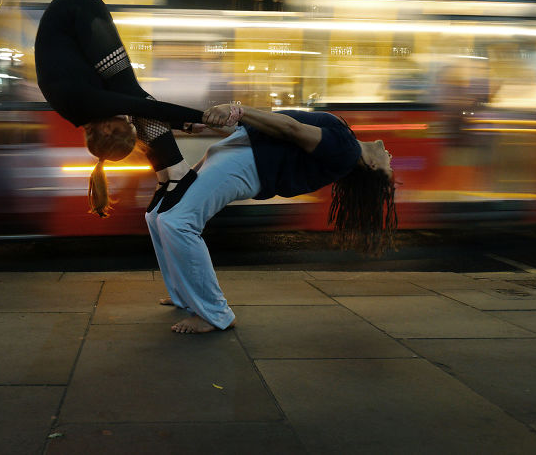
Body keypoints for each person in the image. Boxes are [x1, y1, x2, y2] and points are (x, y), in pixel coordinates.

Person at [147, 103, 397, 334]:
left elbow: (291, 129)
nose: (391, 158)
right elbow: (275, 129)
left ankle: (214, 314)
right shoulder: (345, 142)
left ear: (372, 166)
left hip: (247, 163)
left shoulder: (346, 150)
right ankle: (184, 294)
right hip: (240, 150)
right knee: (157, 215)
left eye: (390, 167)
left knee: (177, 222)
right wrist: (224, 122)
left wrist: (237, 110)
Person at [35, 0, 205, 216]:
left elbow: (147, 107)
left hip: (77, 9)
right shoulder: (86, 111)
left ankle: (179, 173)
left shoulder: (87, 104)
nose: (127, 119)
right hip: (70, 28)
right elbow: (138, 110)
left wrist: (200, 117)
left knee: (131, 92)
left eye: (125, 124)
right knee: (134, 104)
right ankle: (165, 177)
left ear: (106, 129)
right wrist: (184, 124)